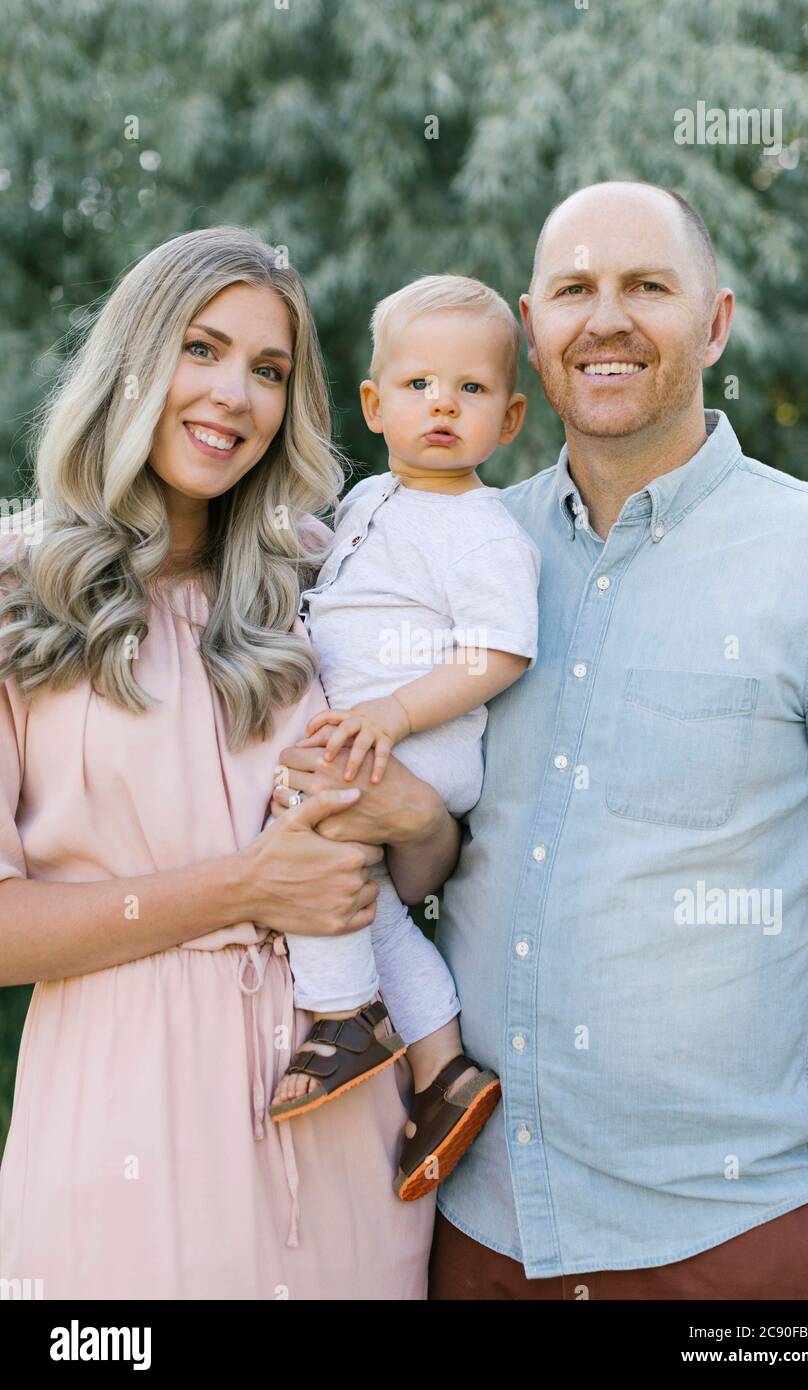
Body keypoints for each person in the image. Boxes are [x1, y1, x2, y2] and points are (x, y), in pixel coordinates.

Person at [402, 180, 808, 1300]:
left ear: (712, 321)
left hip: (737, 1244)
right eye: (573, 291)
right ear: (532, 329)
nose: (603, 319)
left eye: (645, 286)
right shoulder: (462, 553)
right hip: (479, 1238)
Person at [0, 225, 458, 1299]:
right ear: (132, 361)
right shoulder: (18, 595)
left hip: (349, 1136)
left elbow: (414, 878)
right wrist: (243, 888)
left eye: (268, 370)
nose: (233, 396)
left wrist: (413, 813)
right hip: (121, 1138)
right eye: (200, 350)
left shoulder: (328, 584)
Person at [267, 275, 541, 1204]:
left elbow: (499, 651)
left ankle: (343, 1015)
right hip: (377, 739)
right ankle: (443, 1069)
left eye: (470, 391)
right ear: (376, 405)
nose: (442, 406)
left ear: (507, 420)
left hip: (416, 746)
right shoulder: (371, 497)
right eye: (420, 386)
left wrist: (393, 715)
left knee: (314, 842)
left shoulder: (480, 529)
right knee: (367, 901)